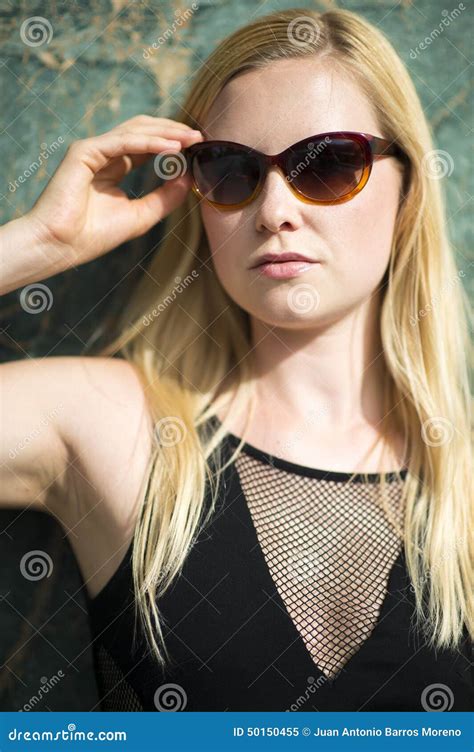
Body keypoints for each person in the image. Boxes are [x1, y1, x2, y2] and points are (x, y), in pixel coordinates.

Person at [1, 8, 472, 712]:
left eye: (330, 162)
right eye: (231, 170)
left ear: (406, 192)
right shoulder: (111, 427)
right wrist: (38, 246)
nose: (275, 208)